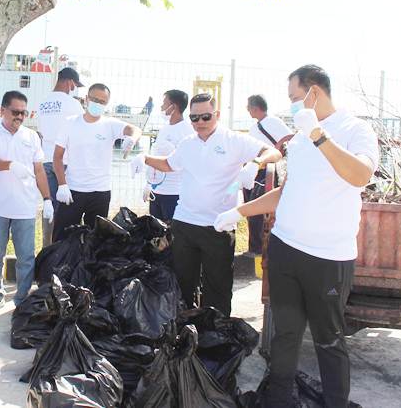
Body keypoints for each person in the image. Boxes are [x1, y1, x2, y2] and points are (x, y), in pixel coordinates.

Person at [214, 65, 379, 407]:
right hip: (286, 250)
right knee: (285, 335)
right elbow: (287, 192)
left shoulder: (355, 129)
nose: (291, 106)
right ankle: (278, 400)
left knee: (328, 340)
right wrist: (239, 212)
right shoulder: (301, 138)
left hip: (328, 258)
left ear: (313, 92)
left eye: (294, 98)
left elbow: (360, 175)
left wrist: (320, 135)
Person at [131, 92, 281, 316]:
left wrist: (255, 163)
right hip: (184, 223)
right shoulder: (187, 143)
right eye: (194, 118)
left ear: (217, 115)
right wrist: (144, 158)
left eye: (205, 117)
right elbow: (169, 164)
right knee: (182, 285)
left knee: (217, 289)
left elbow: (275, 152)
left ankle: (216, 336)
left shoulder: (234, 140)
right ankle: (184, 333)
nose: (199, 123)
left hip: (219, 225)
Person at [0, 91, 53, 313]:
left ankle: (21, 300)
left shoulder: (31, 137)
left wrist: (47, 198)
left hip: (25, 208)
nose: (19, 116)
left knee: (26, 257)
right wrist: (10, 164)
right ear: (3, 110)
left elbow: (39, 170)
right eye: (15, 112)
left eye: (23, 112)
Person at [52, 83, 142, 241]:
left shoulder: (110, 124)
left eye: (102, 102)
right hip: (73, 190)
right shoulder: (70, 122)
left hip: (100, 192)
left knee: (96, 240)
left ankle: (88, 266)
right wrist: (62, 185)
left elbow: (135, 130)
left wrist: (132, 139)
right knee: (62, 237)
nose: (98, 104)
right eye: (95, 99)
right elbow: (57, 157)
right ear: (86, 99)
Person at [36, 67, 83, 246]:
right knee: (68, 210)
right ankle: (63, 249)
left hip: (46, 161)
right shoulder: (73, 104)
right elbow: (79, 133)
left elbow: (41, 133)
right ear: (69, 81)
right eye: (75, 84)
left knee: (49, 207)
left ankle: (46, 248)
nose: (74, 88)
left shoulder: (42, 103)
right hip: (66, 162)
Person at [244, 94, 292, 256]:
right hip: (255, 171)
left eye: (248, 106)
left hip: (268, 170)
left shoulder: (272, 122)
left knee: (257, 207)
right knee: (251, 207)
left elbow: (289, 140)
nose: (247, 109)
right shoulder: (257, 126)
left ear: (255, 108)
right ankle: (255, 246)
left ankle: (257, 248)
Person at [145, 89, 194, 222]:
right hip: (156, 191)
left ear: (174, 106)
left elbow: (187, 162)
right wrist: (149, 184)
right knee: (156, 234)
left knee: (172, 235)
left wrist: (174, 151)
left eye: (164, 103)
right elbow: (155, 156)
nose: (161, 107)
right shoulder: (165, 128)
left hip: (174, 193)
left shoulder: (188, 131)